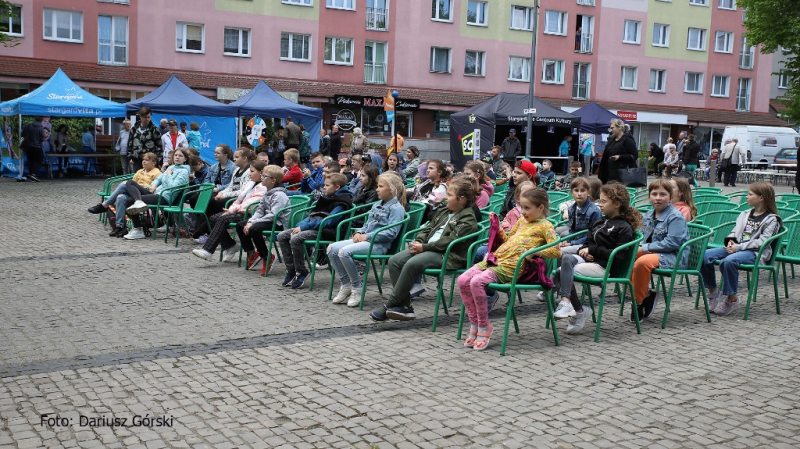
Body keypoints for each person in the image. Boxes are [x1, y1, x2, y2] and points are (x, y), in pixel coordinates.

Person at [458, 188, 560, 351]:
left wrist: (535, 252)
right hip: (498, 258)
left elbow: (556, 250)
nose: (523, 212)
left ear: (540, 207)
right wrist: (498, 230)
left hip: (513, 266)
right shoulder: (521, 221)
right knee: (463, 280)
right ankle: (475, 323)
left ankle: (484, 327)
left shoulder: (546, 226)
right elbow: (508, 240)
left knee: (477, 282)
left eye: (527, 208)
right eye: (522, 207)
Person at [370, 177, 480, 322]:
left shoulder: (468, 218)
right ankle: (404, 305)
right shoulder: (444, 211)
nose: (446, 198)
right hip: (428, 249)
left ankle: (390, 304)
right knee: (394, 261)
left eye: (450, 195)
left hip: (448, 255)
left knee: (412, 264)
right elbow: (428, 228)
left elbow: (449, 242)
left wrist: (424, 247)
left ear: (461, 199)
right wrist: (419, 241)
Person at [552, 183, 643, 334]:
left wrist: (593, 250)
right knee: (565, 261)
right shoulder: (599, 221)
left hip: (605, 267)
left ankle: (574, 308)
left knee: (562, 273)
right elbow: (586, 243)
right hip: (591, 261)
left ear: (617, 204)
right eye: (599, 201)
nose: (599, 204)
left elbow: (619, 255)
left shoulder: (623, 227)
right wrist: (583, 251)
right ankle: (571, 305)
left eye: (603, 201)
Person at [700, 182, 781, 316]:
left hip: (755, 253)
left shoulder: (772, 219)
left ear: (761, 198)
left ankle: (732, 299)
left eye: (750, 194)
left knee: (729, 261)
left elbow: (763, 242)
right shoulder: (745, 214)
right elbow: (735, 232)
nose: (746, 197)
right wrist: (730, 242)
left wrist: (739, 247)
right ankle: (713, 292)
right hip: (738, 248)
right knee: (705, 255)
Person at [329, 173, 407, 307]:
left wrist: (367, 236)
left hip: (379, 245)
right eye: (377, 186)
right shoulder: (376, 205)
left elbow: (391, 233)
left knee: (343, 252)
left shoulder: (396, 209)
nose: (377, 189)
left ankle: (357, 287)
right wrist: (359, 232)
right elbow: (367, 224)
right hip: (367, 241)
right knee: (331, 249)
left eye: (381, 186)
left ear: (392, 189)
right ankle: (346, 284)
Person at [277, 173, 353, 289]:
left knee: (296, 238)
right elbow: (312, 215)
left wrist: (303, 228)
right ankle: (291, 269)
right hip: (314, 227)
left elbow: (328, 221)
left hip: (328, 232)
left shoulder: (342, 201)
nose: (324, 188)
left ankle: (301, 271)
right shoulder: (327, 197)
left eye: (327, 185)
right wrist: (300, 226)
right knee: (282, 235)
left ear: (337, 187)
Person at [630, 179, 689, 322]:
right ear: (649, 195)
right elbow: (641, 236)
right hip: (653, 253)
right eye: (654, 194)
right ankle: (646, 296)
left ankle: (637, 303)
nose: (658, 198)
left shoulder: (676, 217)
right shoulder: (649, 214)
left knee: (642, 262)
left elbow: (672, 243)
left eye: (662, 194)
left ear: (670, 197)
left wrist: (644, 248)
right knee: (628, 256)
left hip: (673, 256)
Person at [191, 160, 267, 262]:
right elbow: (239, 199)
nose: (249, 174)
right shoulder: (250, 183)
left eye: (252, 171)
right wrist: (232, 208)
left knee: (222, 219)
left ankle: (208, 251)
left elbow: (251, 203)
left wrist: (233, 210)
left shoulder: (263, 186)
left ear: (261, 172)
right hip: (241, 211)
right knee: (213, 218)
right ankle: (230, 245)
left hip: (251, 214)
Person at [123, 148, 191, 240]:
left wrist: (168, 175)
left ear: (185, 159)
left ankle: (138, 230)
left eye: (180, 156)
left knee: (129, 201)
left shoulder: (184, 171)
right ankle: (138, 201)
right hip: (156, 193)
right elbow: (159, 179)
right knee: (130, 182)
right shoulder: (171, 167)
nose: (177, 157)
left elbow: (173, 186)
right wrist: (154, 185)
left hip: (165, 197)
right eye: (175, 155)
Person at [87, 152, 161, 236]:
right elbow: (131, 185)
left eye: (147, 160)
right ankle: (120, 226)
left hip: (146, 194)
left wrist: (144, 186)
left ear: (154, 162)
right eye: (143, 160)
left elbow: (156, 188)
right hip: (134, 192)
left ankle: (105, 205)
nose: (144, 161)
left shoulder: (157, 173)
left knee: (125, 183)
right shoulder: (140, 172)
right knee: (120, 197)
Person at [238, 165, 291, 275]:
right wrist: (250, 221)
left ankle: (267, 257)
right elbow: (259, 211)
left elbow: (273, 215)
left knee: (254, 229)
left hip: (278, 223)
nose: (261, 177)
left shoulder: (280, 195)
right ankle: (252, 254)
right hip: (267, 221)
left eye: (264, 176)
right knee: (240, 225)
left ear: (273, 180)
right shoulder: (267, 192)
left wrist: (253, 223)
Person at [555, 178, 602, 254]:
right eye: (576, 190)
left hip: (586, 244)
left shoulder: (594, 211)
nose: (579, 194)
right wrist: (567, 241)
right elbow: (572, 230)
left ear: (588, 192)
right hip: (575, 240)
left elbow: (592, 236)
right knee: (553, 248)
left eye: (583, 190)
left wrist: (571, 243)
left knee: (559, 252)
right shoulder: (571, 209)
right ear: (572, 192)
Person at [598, 119, 638, 184]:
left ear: (619, 128)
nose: (611, 130)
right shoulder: (612, 141)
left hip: (622, 176)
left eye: (612, 128)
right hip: (610, 174)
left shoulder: (628, 140)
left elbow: (634, 156)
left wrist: (620, 157)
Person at [128, 107, 163, 172]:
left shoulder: (155, 130)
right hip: (137, 160)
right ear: (140, 117)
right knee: (137, 179)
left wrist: (158, 160)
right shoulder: (134, 129)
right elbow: (130, 144)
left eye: (148, 117)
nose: (147, 119)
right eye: (145, 117)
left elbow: (159, 146)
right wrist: (130, 157)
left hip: (150, 161)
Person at [20, 116, 44, 182]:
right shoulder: (40, 127)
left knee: (31, 160)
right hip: (36, 146)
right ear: (41, 121)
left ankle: (30, 174)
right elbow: (42, 138)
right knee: (39, 160)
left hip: (27, 146)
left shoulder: (28, 125)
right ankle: (34, 174)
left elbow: (22, 134)